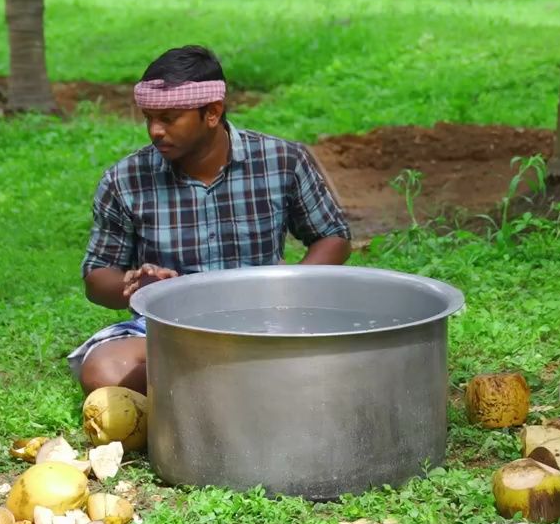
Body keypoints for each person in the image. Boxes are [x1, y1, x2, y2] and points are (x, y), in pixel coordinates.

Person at [72, 46, 353, 393]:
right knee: (104, 369)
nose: (155, 131)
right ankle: (254, 385)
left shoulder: (282, 161)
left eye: (169, 118)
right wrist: (134, 286)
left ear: (212, 112)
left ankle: (206, 391)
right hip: (170, 332)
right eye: (148, 118)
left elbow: (333, 236)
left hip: (267, 323)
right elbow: (97, 275)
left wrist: (286, 290)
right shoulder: (125, 180)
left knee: (350, 355)